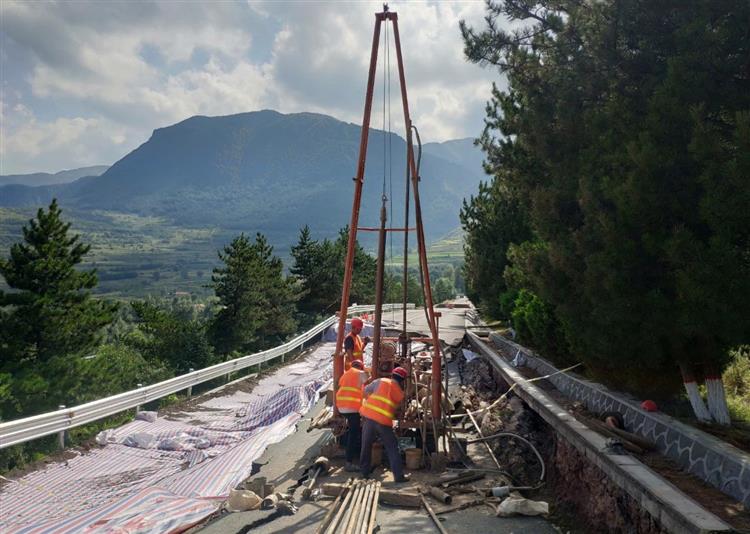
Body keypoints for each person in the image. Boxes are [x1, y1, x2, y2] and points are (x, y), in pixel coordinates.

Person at [359, 366, 410, 483]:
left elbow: (365, 391)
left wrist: (370, 399)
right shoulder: (400, 394)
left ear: (392, 375)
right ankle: (399, 476)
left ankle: (364, 473)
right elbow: (397, 409)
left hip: (369, 418)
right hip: (384, 422)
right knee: (392, 448)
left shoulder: (380, 381)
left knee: (366, 445)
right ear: (403, 381)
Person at [335, 359, 369, 471]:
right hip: (352, 407)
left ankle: (349, 456)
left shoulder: (345, 374)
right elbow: (369, 385)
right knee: (354, 434)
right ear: (361, 367)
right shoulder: (360, 373)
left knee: (352, 431)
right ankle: (349, 463)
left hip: (341, 407)